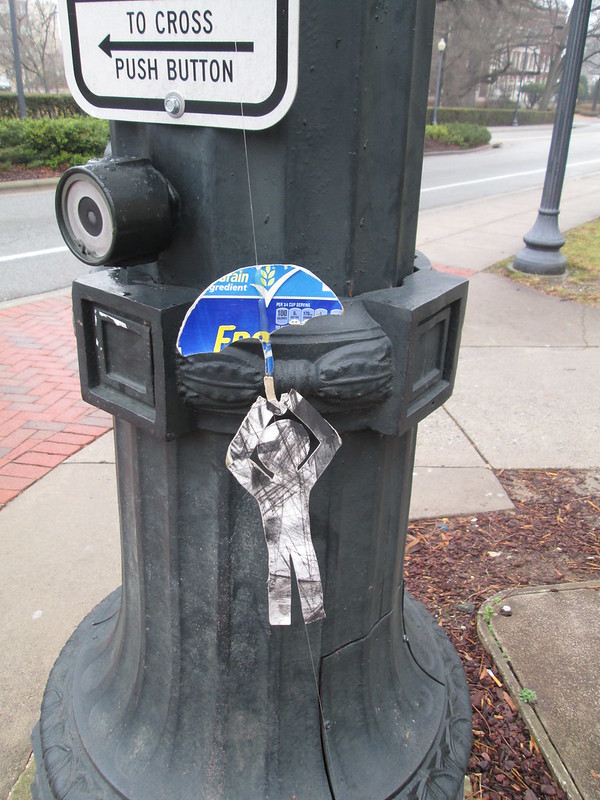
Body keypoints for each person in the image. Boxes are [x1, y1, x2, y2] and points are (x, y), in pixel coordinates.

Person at [226, 388, 341, 625]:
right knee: (305, 603)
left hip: (286, 555)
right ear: (303, 450)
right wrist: (297, 405)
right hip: (300, 553)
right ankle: (301, 619)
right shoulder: (304, 476)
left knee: (287, 600)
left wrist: (263, 411)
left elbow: (236, 458)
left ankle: (290, 620)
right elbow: (330, 440)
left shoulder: (262, 484)